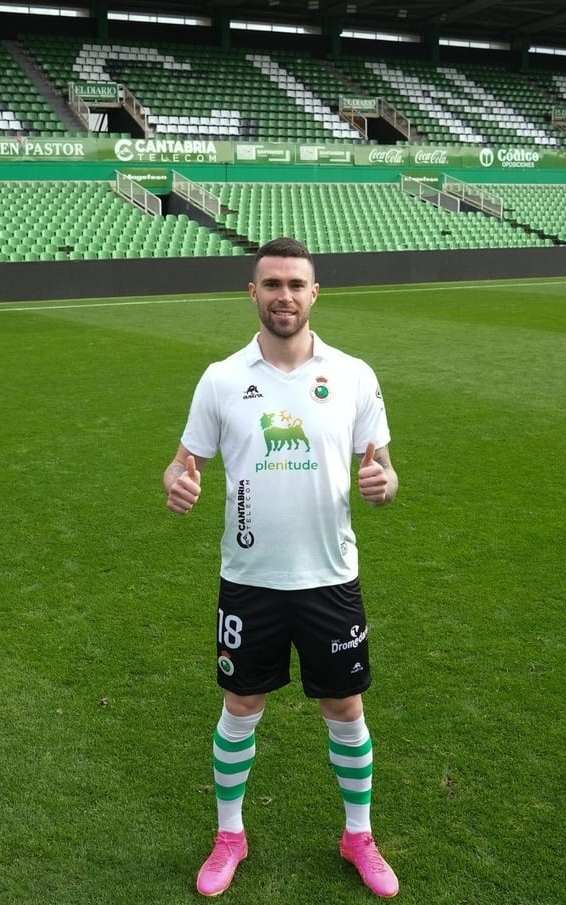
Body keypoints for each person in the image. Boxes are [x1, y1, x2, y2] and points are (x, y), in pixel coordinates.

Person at [162, 237, 400, 898]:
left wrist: (384, 482)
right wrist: (178, 483)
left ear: (314, 292)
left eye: (296, 283)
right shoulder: (220, 377)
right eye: (271, 284)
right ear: (253, 293)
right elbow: (184, 463)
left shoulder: (353, 373)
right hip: (250, 577)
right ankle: (230, 834)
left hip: (329, 577)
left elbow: (381, 467)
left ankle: (359, 834)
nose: (284, 296)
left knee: (345, 706)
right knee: (241, 703)